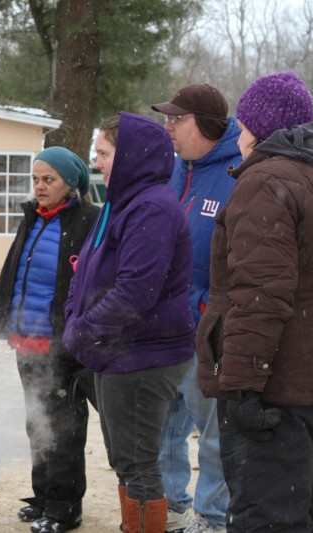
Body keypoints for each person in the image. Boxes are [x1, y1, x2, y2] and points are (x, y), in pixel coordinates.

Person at [196, 70, 313, 530]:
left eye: (243, 125)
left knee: (270, 519)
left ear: (256, 129)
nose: (237, 136)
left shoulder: (267, 181)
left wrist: (240, 387)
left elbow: (260, 296)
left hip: (281, 394)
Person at [62, 112, 195, 533]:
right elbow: (84, 270)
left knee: (137, 463)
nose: (96, 163)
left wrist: (82, 332)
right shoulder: (121, 202)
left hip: (142, 355)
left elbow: (136, 292)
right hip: (115, 352)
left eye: (102, 154)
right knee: (125, 459)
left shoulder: (152, 208)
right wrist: (74, 318)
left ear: (131, 155)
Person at [0, 147, 99, 533]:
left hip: (63, 344)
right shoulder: (32, 218)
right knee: (37, 424)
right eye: (36, 179)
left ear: (70, 183)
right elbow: (14, 273)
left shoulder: (89, 220)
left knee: (65, 427)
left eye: (48, 179)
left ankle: (66, 506)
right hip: (27, 340)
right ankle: (43, 496)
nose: (39, 186)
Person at [149, 84, 242, 533]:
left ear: (205, 124)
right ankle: (169, 502)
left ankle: (212, 517)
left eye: (177, 119)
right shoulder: (172, 169)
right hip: (165, 323)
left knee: (212, 432)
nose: (168, 127)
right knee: (163, 425)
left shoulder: (237, 171)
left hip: (208, 328)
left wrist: (209, 309)